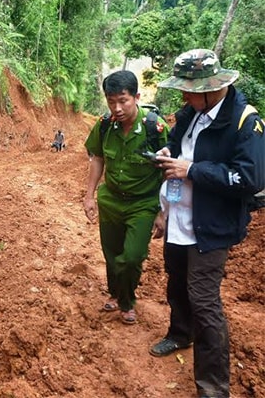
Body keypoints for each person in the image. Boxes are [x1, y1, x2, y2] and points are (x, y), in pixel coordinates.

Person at [150, 49, 265, 398]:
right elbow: (177, 144)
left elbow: (251, 177)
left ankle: (213, 387)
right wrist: (169, 154)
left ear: (210, 87)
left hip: (211, 225)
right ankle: (180, 334)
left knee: (204, 300)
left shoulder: (245, 121)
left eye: (188, 89)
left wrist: (192, 170)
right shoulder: (190, 112)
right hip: (178, 217)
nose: (183, 96)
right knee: (177, 283)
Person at [83, 70, 169, 325]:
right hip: (110, 201)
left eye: (123, 100)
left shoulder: (155, 127)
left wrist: (162, 212)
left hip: (142, 204)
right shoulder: (105, 125)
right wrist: (89, 196)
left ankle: (127, 300)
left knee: (131, 256)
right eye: (111, 101)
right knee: (111, 253)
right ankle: (116, 294)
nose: (117, 108)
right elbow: (98, 158)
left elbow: (168, 169)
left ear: (136, 97)